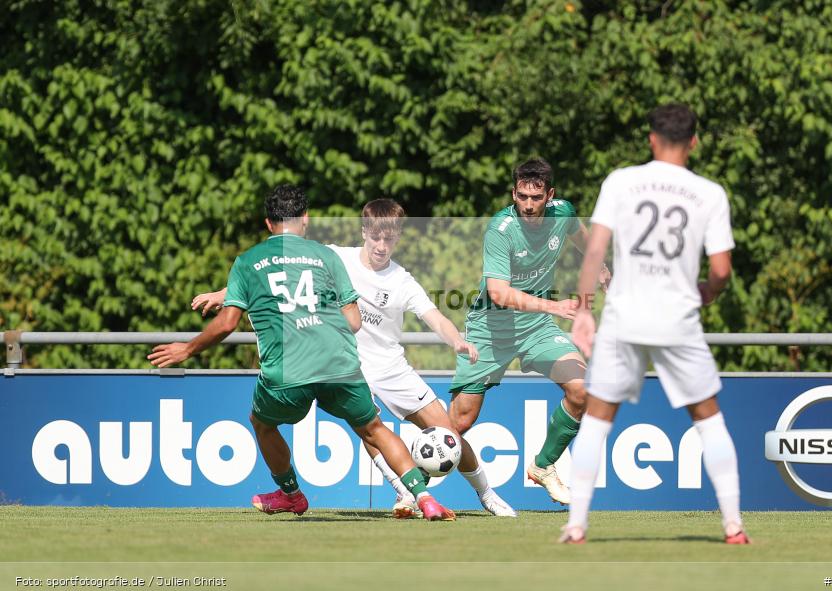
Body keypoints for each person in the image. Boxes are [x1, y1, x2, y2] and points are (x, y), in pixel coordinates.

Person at [148, 184, 455, 521]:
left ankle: (291, 495)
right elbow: (353, 320)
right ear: (305, 219)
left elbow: (226, 325)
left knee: (261, 424)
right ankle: (425, 499)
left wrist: (186, 349)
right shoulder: (326, 256)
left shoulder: (248, 262)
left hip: (287, 370)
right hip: (340, 364)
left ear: (268, 223)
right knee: (375, 429)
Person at [194, 199, 517, 518]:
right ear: (364, 231)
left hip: (390, 367)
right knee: (369, 430)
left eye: (389, 239)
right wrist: (223, 295)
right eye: (376, 237)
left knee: (449, 434)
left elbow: (434, 318)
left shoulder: (401, 280)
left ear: (398, 238)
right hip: (346, 364)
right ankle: (405, 492)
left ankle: (487, 494)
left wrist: (456, 340)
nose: (381, 245)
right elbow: (273, 274)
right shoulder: (335, 257)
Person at [561, 103, 748, 544]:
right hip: (678, 320)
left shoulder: (620, 181)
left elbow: (594, 251)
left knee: (597, 420)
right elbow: (721, 269)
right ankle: (734, 526)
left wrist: (585, 308)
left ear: (651, 138)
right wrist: (709, 291)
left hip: (624, 318)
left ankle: (575, 526)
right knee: (708, 420)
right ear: (694, 142)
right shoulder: (710, 193)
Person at [448, 158, 610, 505]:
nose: (529, 205)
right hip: (490, 332)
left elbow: (585, 239)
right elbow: (499, 293)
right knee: (458, 425)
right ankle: (410, 485)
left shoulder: (562, 213)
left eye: (536, 198)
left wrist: (600, 268)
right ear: (514, 193)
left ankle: (543, 466)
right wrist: (555, 306)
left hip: (536, 328)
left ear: (550, 196)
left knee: (582, 392)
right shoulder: (500, 229)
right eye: (522, 197)